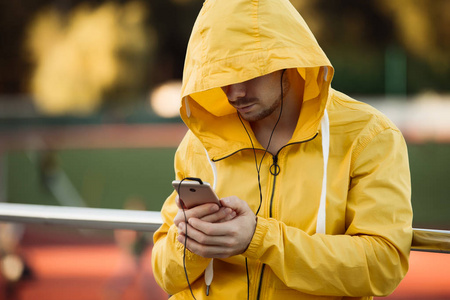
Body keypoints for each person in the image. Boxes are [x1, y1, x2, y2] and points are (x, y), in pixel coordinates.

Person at [151, 0, 413, 299]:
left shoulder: (369, 135)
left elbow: (383, 264)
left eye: (248, 73)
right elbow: (166, 275)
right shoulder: (200, 140)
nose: (235, 93)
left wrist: (259, 238)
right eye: (219, 77)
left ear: (287, 58)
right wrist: (190, 242)